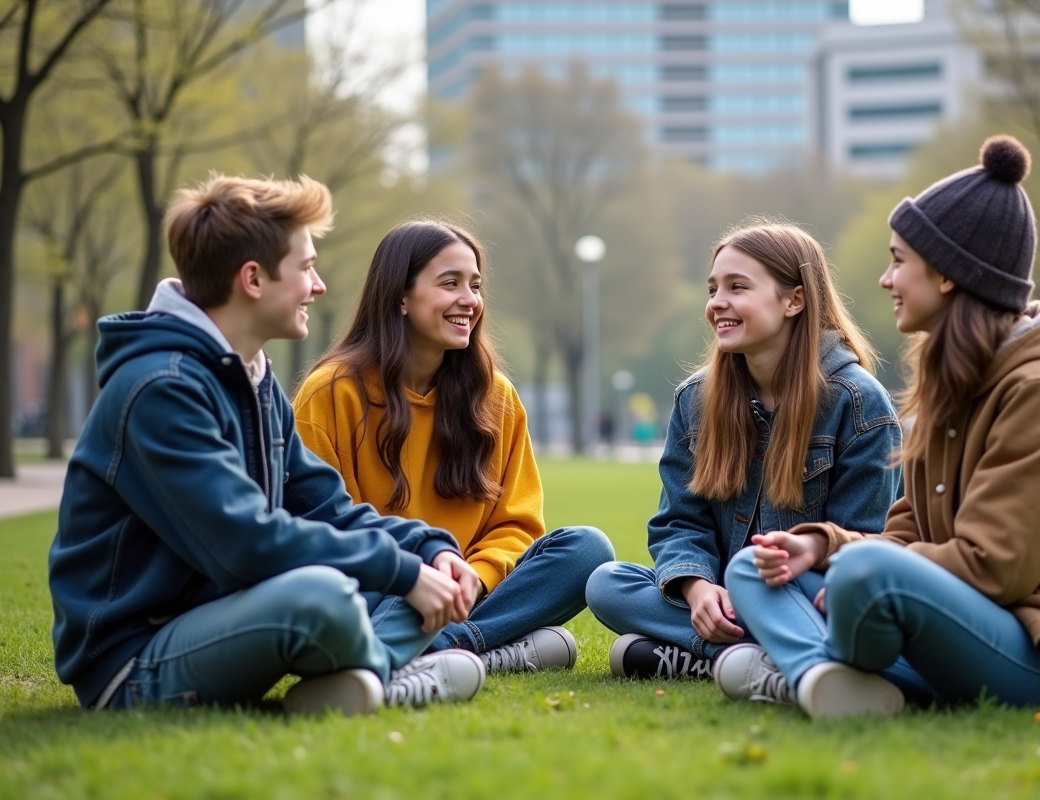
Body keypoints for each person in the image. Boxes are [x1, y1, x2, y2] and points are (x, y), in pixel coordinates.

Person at [716, 136, 1040, 718]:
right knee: (755, 566)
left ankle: (810, 667)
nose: (886, 279)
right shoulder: (945, 386)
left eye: (899, 260)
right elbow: (906, 538)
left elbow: (996, 568)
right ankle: (825, 678)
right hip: (969, 623)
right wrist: (819, 545)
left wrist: (860, 570)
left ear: (948, 275)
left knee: (863, 574)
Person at [49, 175, 489, 717]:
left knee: (409, 579)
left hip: (228, 614)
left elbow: (329, 509)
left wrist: (430, 551)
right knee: (331, 594)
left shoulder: (251, 378)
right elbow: (243, 545)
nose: (319, 285)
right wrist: (399, 571)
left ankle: (366, 679)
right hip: (134, 662)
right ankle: (387, 674)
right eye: (305, 267)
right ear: (253, 279)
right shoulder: (160, 388)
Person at [293, 220, 614, 674]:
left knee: (587, 550)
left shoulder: (495, 396)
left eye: (476, 286)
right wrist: (415, 575)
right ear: (400, 296)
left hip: (470, 590)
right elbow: (324, 526)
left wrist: (472, 580)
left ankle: (441, 646)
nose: (470, 300)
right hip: (378, 584)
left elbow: (516, 527)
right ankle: (480, 649)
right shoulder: (331, 392)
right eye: (450, 284)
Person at [586, 220, 903, 681]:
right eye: (713, 289)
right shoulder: (695, 399)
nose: (717, 304)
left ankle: (707, 654)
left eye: (738, 287)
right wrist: (697, 591)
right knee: (607, 584)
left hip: (805, 597)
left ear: (794, 299)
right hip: (718, 597)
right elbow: (679, 520)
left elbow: (863, 542)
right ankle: (752, 656)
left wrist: (759, 588)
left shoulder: (857, 402)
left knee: (838, 605)